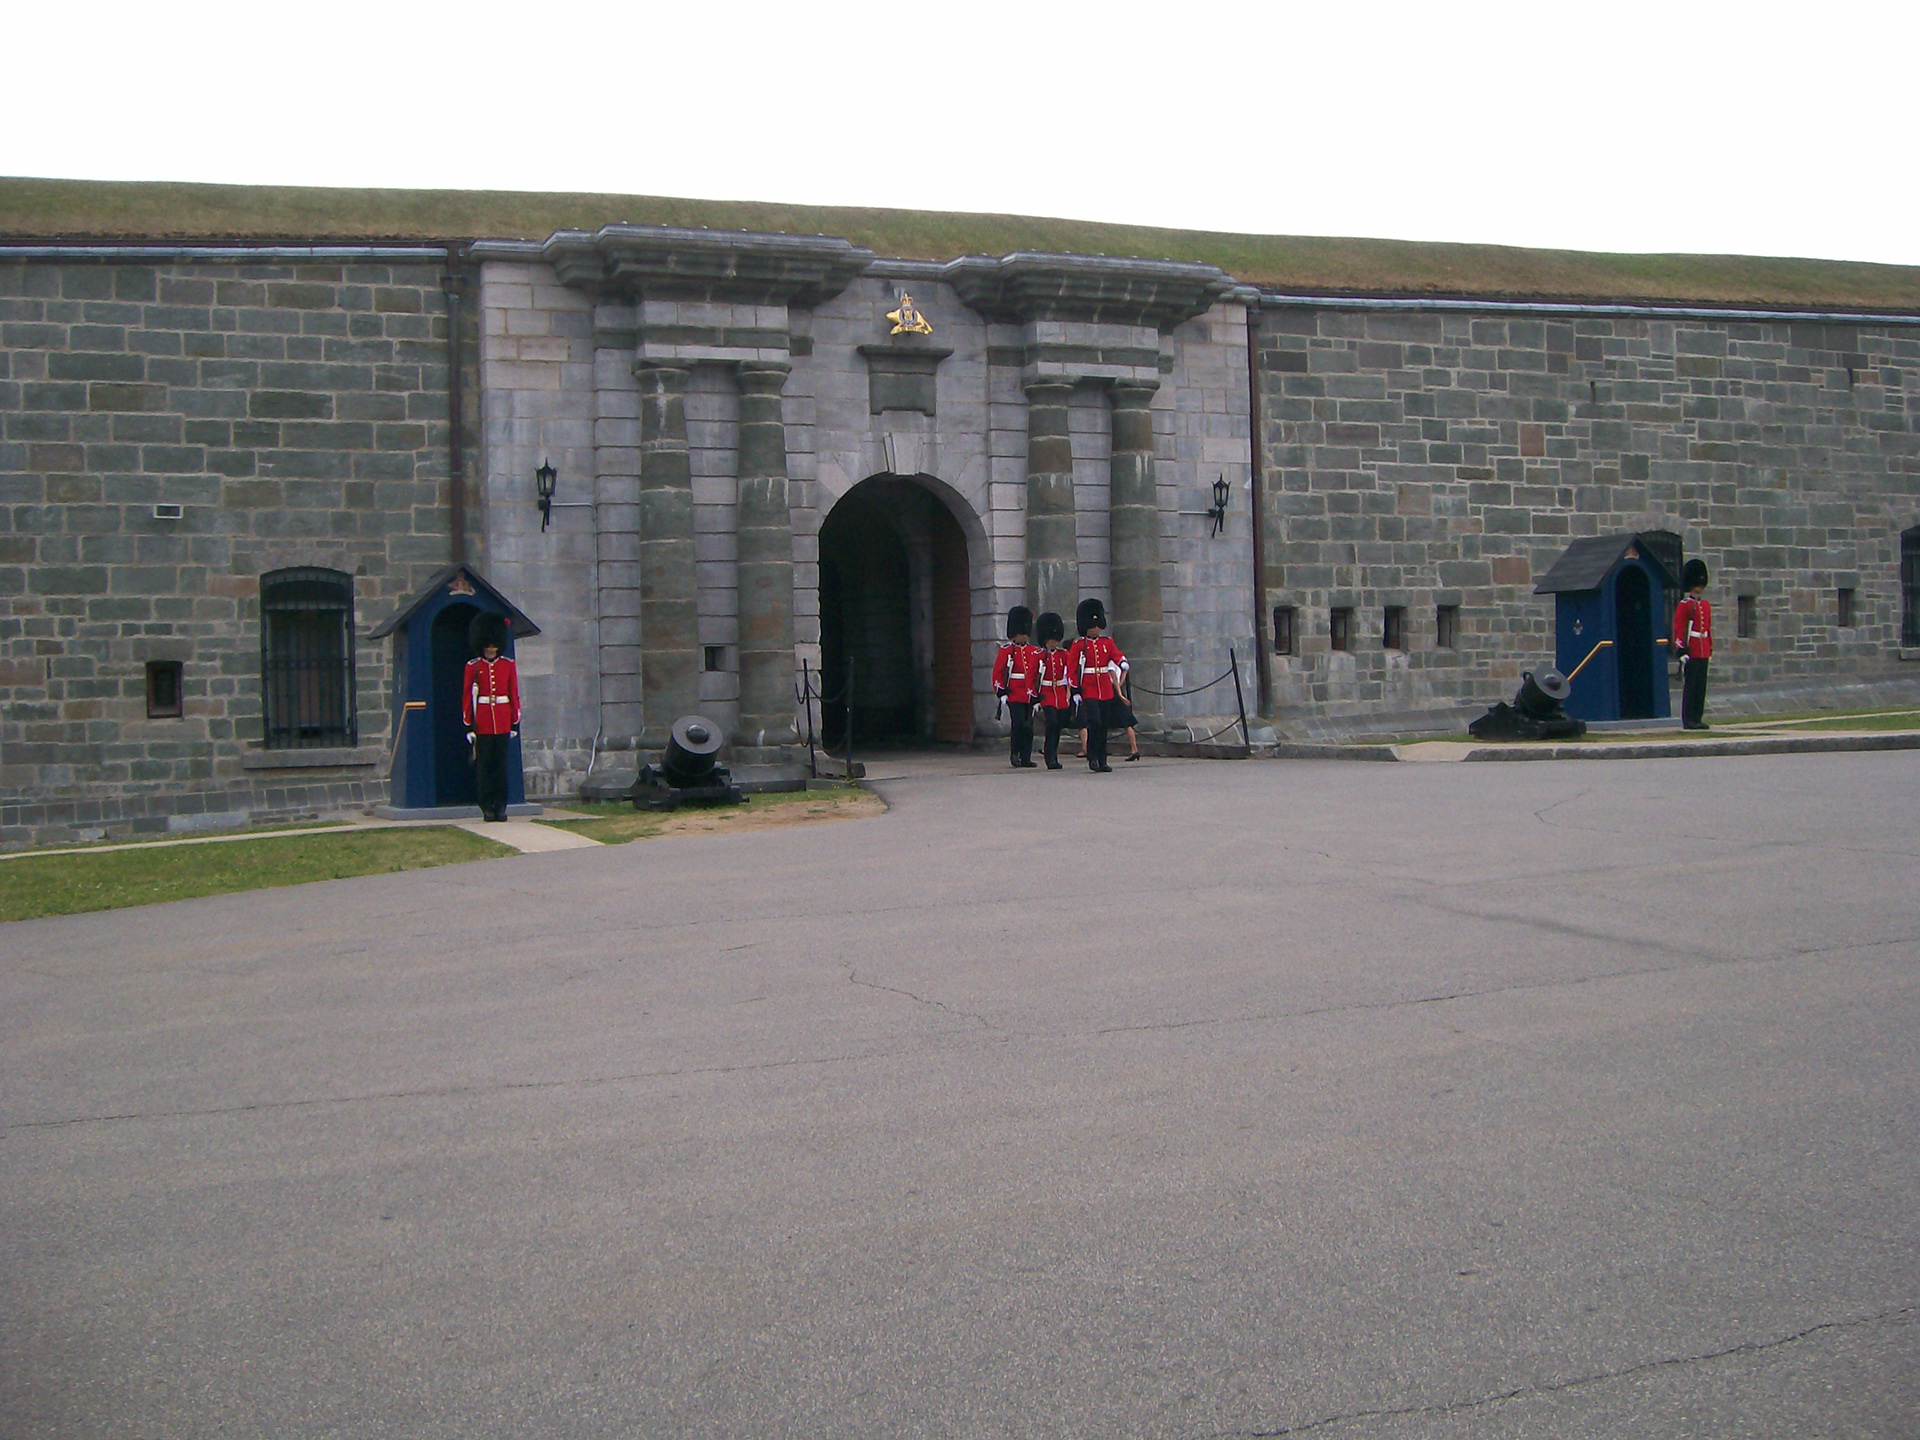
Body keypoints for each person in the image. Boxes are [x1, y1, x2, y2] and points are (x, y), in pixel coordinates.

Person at [463, 614, 521, 821]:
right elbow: (467, 697)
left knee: (500, 767)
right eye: (487, 647)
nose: (490, 650)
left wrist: (514, 721)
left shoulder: (507, 665)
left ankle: (501, 806)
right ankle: (486, 805)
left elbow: (513, 693)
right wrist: (469, 726)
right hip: (483, 724)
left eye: (493, 647)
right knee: (484, 768)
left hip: (503, 722)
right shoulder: (473, 667)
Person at [1069, 598, 1127, 773]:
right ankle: (1092, 756)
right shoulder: (1079, 645)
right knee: (1094, 722)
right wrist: (1075, 689)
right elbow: (1072, 669)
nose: (1095, 629)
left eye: (1097, 626)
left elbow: (1115, 655)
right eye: (1092, 626)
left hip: (1105, 689)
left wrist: (1122, 662)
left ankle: (1102, 759)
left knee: (1103, 726)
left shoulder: (1106, 642)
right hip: (1088, 688)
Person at [991, 605, 1041, 768]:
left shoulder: (1034, 651)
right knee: (1018, 723)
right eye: (1020, 634)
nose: (1023, 637)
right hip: (1014, 693)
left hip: (1030, 693)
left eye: (1025, 633)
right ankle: (1015, 754)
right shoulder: (1007, 651)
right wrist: (1001, 692)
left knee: (1028, 725)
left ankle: (1026, 756)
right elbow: (998, 673)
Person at [1673, 558, 1713, 730]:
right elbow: (1679, 628)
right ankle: (1689, 719)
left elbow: (1707, 628)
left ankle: (1697, 716)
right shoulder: (1685, 605)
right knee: (1692, 685)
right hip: (1692, 649)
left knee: (1701, 686)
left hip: (1703, 649)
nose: (1700, 586)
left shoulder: (1705, 605)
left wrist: (1710, 646)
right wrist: (1681, 650)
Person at [1034, 611, 1074, 770]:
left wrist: (1070, 691)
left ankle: (1053, 753)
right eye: (1051, 640)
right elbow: (1032, 676)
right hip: (1046, 692)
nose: (1053, 643)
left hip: (1061, 692)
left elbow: (1070, 671)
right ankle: (1050, 756)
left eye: (1055, 640)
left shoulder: (1063, 654)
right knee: (1052, 722)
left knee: (1058, 725)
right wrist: (1034, 697)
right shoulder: (1038, 655)